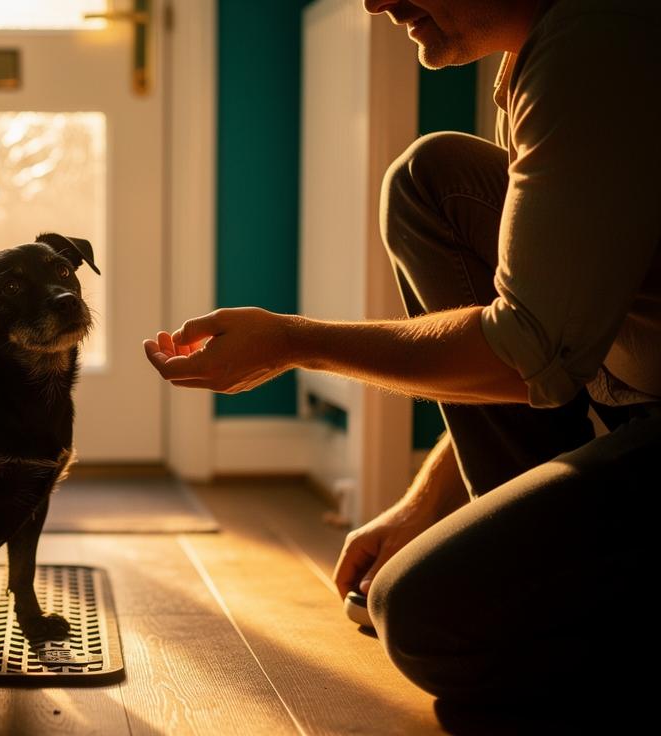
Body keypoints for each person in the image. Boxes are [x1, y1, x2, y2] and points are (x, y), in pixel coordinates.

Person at [144, 0, 660, 705]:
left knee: (423, 620)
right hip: (626, 399)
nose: (374, 1)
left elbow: (521, 355)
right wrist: (426, 503)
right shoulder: (539, 52)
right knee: (430, 180)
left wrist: (295, 342)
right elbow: (549, 329)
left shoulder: (600, 43)